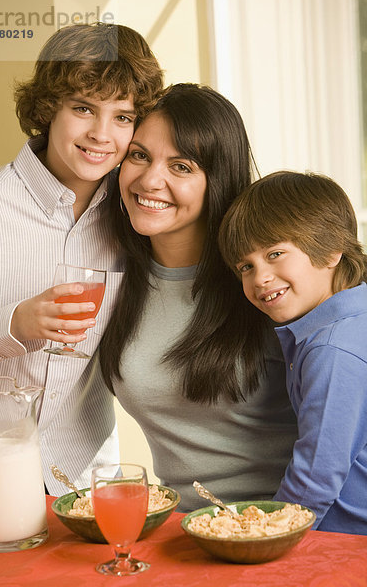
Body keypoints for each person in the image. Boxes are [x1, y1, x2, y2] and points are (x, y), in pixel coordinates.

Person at [0, 22, 163, 494]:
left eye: (123, 116)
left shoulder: (135, 212)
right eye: (83, 109)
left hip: (90, 479)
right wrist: (14, 325)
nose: (101, 134)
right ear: (48, 108)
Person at [98, 83, 298, 512]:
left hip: (290, 528)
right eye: (139, 155)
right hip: (183, 531)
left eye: (182, 166)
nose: (150, 180)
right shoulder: (112, 271)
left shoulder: (268, 281)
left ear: (217, 179)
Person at [218, 170, 367, 534]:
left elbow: (315, 476)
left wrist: (261, 536)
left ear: (332, 249)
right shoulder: (345, 323)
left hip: (345, 544)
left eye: (275, 253)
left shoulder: (333, 349)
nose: (260, 277)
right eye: (246, 266)